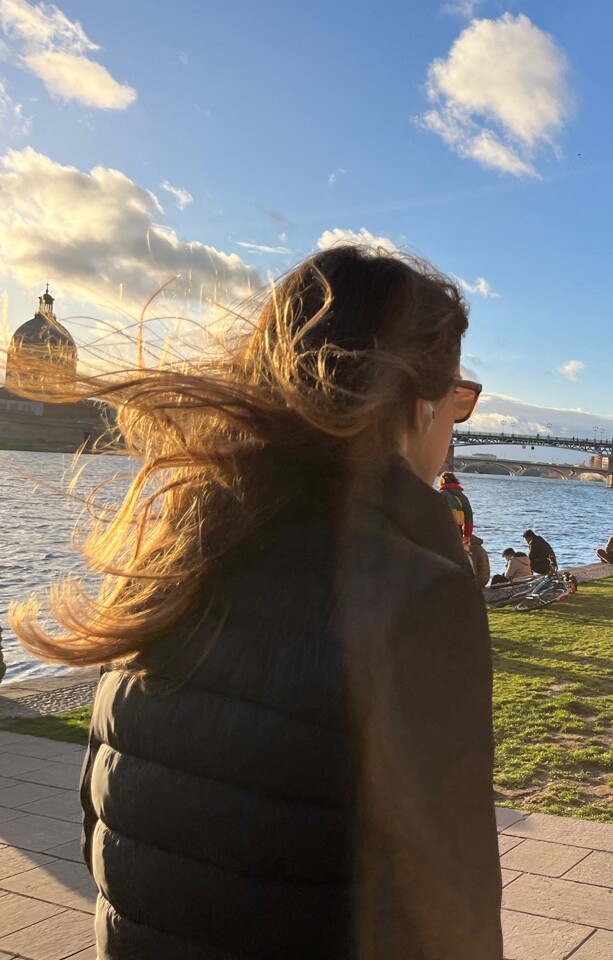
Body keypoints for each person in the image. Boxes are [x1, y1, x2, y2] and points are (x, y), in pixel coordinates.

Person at [6, 247, 502, 957]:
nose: (454, 427)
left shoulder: (172, 545)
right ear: (419, 406)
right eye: (459, 398)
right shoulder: (418, 594)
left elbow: (103, 825)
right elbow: (451, 915)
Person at [439, 471, 474, 545]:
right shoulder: (463, 497)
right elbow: (469, 516)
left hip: (443, 528)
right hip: (458, 530)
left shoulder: (441, 494)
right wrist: (467, 534)